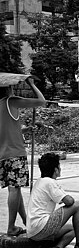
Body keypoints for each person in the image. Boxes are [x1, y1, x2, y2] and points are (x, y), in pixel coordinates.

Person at [26, 153, 79, 248]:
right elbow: (70, 201)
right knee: (78, 206)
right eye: (59, 166)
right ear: (55, 169)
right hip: (41, 226)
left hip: (33, 231)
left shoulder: (39, 181)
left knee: (75, 228)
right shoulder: (49, 182)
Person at [0, 76, 46, 236]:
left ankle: (26, 222)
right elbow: (41, 101)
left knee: (15, 189)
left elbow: (7, 130)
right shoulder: (11, 101)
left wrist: (25, 130)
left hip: (3, 155)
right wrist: (31, 84)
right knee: (14, 189)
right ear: (8, 88)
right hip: (15, 153)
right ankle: (11, 227)